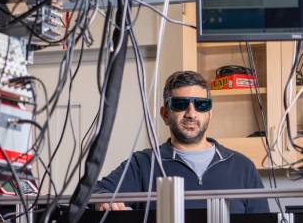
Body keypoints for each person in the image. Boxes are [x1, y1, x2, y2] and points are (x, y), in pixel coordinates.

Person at [94, 71, 269, 213]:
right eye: (180, 104)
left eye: (201, 105)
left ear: (210, 113)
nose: (191, 114)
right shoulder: (143, 164)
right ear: (165, 114)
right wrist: (104, 201)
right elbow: (94, 194)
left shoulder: (242, 167)